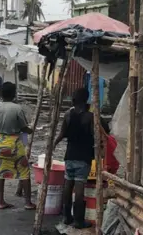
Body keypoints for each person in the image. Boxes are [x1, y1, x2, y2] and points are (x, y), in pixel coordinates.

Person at [0, 82, 36, 210]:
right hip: (14, 144)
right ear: (14, 93)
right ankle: (28, 202)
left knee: (0, 173)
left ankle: (1, 201)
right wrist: (30, 130)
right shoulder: (17, 108)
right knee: (25, 172)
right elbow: (24, 127)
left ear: (1, 93)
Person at [54, 88, 94, 229]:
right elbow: (98, 135)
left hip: (69, 155)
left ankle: (66, 216)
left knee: (68, 185)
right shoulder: (90, 117)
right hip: (83, 156)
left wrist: (53, 144)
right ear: (86, 100)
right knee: (79, 188)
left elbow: (62, 133)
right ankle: (78, 220)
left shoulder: (68, 114)